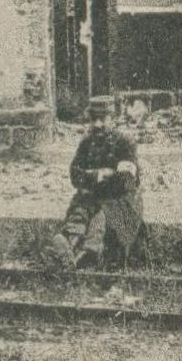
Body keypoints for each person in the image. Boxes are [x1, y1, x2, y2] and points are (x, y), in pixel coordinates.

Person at [49, 95, 145, 270]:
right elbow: (74, 174)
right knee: (79, 213)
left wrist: (95, 180)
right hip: (93, 197)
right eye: (93, 119)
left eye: (103, 119)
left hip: (121, 201)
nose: (97, 124)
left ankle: (88, 254)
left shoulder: (125, 143)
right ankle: (68, 246)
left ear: (114, 119)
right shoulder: (87, 142)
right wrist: (98, 175)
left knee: (100, 219)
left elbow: (126, 182)